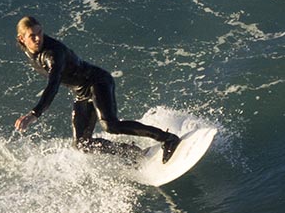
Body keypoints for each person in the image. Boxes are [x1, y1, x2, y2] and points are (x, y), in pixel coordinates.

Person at [13, 16, 180, 163]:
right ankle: (133, 153)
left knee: (111, 126)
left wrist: (34, 114)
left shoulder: (53, 53)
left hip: (97, 82)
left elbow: (53, 84)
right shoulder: (30, 51)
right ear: (21, 39)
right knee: (81, 145)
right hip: (81, 92)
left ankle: (168, 139)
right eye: (32, 36)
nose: (38, 38)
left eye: (40, 32)